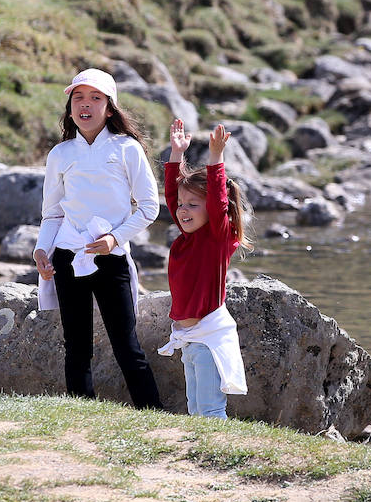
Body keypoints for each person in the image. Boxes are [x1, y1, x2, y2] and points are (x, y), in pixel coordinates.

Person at [33, 68, 163, 409]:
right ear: (70, 108)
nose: (85, 105)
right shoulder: (60, 154)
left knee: (127, 346)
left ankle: (153, 415)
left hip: (111, 258)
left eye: (95, 98)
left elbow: (149, 207)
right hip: (67, 258)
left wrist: (114, 239)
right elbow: (52, 214)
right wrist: (42, 250)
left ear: (109, 107)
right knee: (76, 346)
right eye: (78, 98)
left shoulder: (127, 148)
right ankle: (82, 417)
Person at [158, 121, 251, 418]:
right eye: (181, 204)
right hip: (189, 339)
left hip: (209, 339)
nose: (182, 210)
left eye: (193, 205)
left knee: (210, 410)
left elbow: (218, 202)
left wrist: (215, 157)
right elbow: (171, 196)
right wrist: (176, 154)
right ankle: (198, 448)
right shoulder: (187, 238)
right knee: (195, 409)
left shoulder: (215, 240)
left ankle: (221, 448)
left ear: (210, 210)